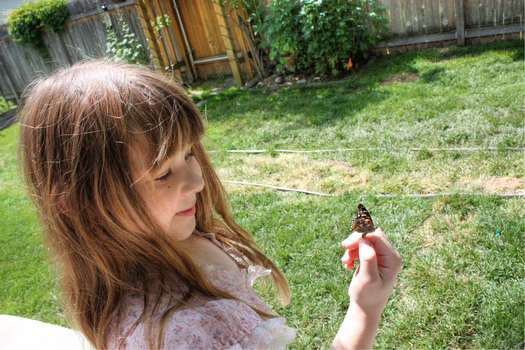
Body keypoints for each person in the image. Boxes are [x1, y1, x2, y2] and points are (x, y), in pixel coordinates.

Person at [17, 60, 402, 349]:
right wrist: (366, 310)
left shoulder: (177, 239)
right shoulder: (189, 332)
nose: (197, 180)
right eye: (162, 174)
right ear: (77, 204)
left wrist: (366, 301)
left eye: (188, 154)